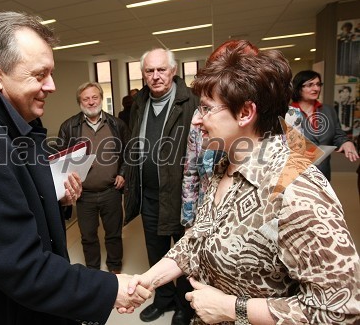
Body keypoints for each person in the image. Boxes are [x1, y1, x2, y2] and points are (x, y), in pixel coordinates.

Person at [0, 11, 151, 325]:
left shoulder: (12, 124)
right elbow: (20, 267)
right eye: (39, 75)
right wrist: (109, 288)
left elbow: (14, 204)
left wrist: (54, 197)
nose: (51, 85)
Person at [128, 40, 360, 324]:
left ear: (245, 113)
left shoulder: (297, 190)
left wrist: (232, 308)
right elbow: (197, 240)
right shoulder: (223, 167)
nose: (197, 121)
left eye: (206, 109)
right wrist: (146, 280)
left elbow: (339, 309)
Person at [181, 40, 305, 228]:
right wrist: (190, 222)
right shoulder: (201, 116)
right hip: (210, 213)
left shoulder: (289, 117)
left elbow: (296, 170)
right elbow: (191, 170)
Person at [124, 48, 198, 325]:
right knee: (156, 251)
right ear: (143, 74)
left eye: (161, 70)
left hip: (180, 196)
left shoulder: (191, 102)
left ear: (173, 71)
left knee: (181, 253)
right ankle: (163, 299)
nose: (155, 76)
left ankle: (184, 304)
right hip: (149, 196)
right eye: (149, 71)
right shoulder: (139, 103)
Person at [57, 81, 130, 274]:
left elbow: (129, 153)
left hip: (111, 191)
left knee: (113, 234)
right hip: (84, 194)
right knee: (88, 235)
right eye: (85, 99)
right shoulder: (69, 127)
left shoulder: (117, 124)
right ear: (80, 102)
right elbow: (61, 160)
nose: (91, 102)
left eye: (94, 97)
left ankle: (115, 268)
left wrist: (122, 173)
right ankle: (93, 271)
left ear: (101, 98)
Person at [290, 70, 358, 181]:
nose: (316, 88)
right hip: (296, 177)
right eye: (310, 85)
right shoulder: (285, 113)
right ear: (298, 88)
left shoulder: (328, 110)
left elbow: (337, 134)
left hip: (322, 175)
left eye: (318, 84)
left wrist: (346, 142)